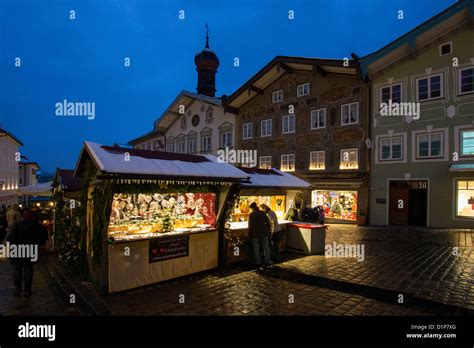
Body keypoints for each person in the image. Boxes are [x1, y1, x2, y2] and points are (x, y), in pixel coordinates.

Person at [6, 210, 48, 297]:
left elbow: (10, 239)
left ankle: (18, 289)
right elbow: (43, 239)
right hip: (30, 250)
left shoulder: (18, 225)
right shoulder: (38, 226)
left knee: (17, 270)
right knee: (28, 270)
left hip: (16, 250)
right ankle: (27, 290)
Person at [248, 202, 273, 266]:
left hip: (255, 233)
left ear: (252, 208)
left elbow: (250, 226)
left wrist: (249, 234)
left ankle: (258, 261)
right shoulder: (263, 213)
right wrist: (269, 231)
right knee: (266, 247)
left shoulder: (251, 215)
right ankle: (268, 260)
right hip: (264, 232)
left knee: (256, 248)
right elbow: (267, 223)